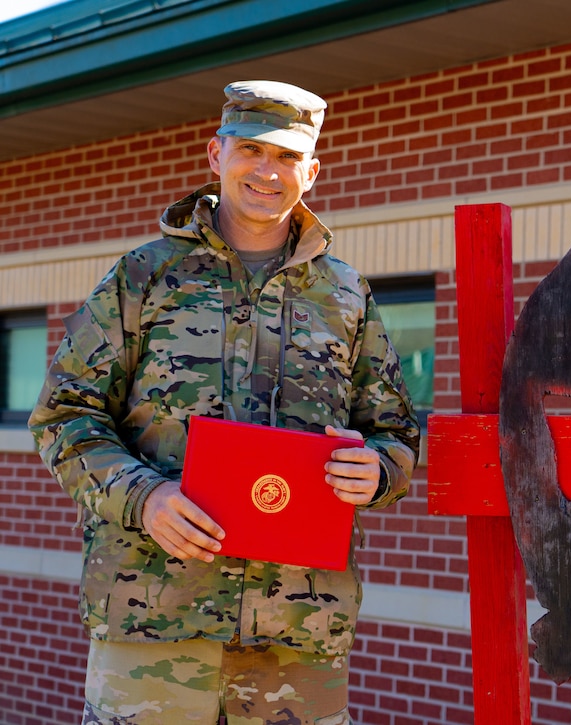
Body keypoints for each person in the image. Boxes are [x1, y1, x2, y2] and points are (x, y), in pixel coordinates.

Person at [28, 80, 420, 724]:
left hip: (297, 625)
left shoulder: (346, 294)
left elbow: (394, 432)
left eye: (289, 157)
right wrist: (142, 495)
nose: (268, 171)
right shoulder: (145, 276)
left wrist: (376, 470)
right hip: (154, 615)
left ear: (313, 171)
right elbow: (65, 413)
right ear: (216, 154)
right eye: (252, 149)